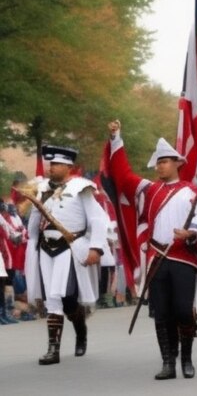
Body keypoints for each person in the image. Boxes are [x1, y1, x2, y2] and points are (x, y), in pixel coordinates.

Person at [107, 120, 197, 380]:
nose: (160, 166)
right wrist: (116, 138)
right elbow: (122, 175)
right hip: (157, 258)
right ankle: (168, 361)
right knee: (162, 313)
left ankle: (186, 359)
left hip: (182, 258)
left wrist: (193, 232)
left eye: (165, 161)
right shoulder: (149, 190)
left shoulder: (193, 192)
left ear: (178, 163)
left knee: (182, 310)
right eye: (158, 162)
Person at [25, 145, 108, 364]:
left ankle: (80, 328)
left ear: (69, 167)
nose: (52, 168)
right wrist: (31, 244)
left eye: (57, 164)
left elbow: (98, 220)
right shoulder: (41, 189)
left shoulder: (82, 188)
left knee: (68, 297)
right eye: (51, 164)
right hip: (46, 248)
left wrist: (96, 248)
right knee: (52, 298)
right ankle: (54, 349)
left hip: (70, 247)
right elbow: (34, 221)